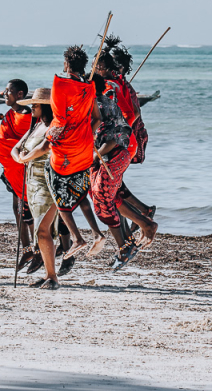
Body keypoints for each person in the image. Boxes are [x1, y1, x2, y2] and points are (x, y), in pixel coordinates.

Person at [94, 40, 158, 247]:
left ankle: (136, 228)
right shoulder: (117, 83)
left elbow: (133, 113)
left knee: (109, 191)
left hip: (120, 143)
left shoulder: (113, 85)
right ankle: (143, 213)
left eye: (98, 67)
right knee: (115, 187)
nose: (94, 70)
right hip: (119, 142)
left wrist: (121, 133)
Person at [45, 45, 102, 261]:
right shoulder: (89, 88)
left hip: (65, 152)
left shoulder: (60, 85)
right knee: (80, 193)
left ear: (67, 65)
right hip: (84, 150)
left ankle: (78, 238)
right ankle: (96, 233)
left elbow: (60, 121)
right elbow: (97, 119)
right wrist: (85, 133)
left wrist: (49, 135)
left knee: (58, 195)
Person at [89, 73, 141, 270]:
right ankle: (128, 243)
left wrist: (96, 156)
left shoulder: (101, 105)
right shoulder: (99, 102)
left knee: (103, 199)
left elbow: (115, 137)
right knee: (101, 198)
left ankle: (125, 247)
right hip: (106, 154)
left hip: (114, 153)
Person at [11, 88, 60, 290]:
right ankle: (49, 274)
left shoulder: (55, 126)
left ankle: (53, 277)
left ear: (46, 107)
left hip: (49, 183)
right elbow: (16, 147)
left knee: (42, 229)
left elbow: (45, 148)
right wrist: (19, 157)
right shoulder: (36, 126)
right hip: (32, 183)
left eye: (36, 104)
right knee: (41, 232)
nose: (32, 107)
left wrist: (24, 157)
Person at [0, 79, 35, 269]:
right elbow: (4, 141)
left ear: (19, 94)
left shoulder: (32, 116)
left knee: (30, 210)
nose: (3, 93)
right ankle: (26, 248)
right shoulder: (10, 115)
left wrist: (6, 146)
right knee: (17, 208)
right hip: (12, 169)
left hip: (28, 168)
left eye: (8, 91)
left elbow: (29, 144)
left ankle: (38, 248)